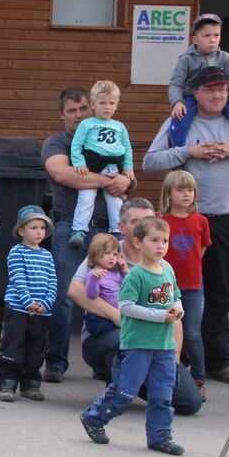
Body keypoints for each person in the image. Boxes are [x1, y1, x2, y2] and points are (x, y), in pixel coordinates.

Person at [144, 66, 229, 385]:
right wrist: (189, 151)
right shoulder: (180, 121)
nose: (218, 95)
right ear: (196, 94)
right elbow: (150, 162)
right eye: (211, 90)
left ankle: (217, 361)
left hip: (225, 220)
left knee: (219, 291)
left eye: (223, 90)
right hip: (183, 222)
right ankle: (176, 358)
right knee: (178, 290)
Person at [68, 198, 202, 416]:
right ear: (121, 227)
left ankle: (138, 383)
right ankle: (112, 401)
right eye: (134, 221)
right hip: (106, 336)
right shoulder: (108, 252)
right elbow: (75, 290)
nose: (141, 224)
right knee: (122, 341)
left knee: (190, 402)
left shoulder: (163, 265)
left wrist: (173, 361)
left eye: (147, 220)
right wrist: (115, 315)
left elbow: (173, 314)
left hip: (155, 341)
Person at [42, 87, 132, 383]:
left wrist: (126, 178)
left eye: (83, 109)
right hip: (72, 226)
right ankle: (55, 361)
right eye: (72, 111)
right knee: (64, 296)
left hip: (109, 229)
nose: (79, 115)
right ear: (62, 114)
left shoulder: (108, 132)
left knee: (109, 293)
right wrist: (112, 180)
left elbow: (129, 177)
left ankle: (102, 360)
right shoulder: (57, 142)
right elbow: (63, 175)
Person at [80, 216, 186, 456]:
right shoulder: (136, 275)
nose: (161, 246)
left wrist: (178, 307)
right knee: (125, 390)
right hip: (138, 343)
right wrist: (160, 316)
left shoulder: (167, 268)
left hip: (164, 345)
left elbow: (176, 295)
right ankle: (94, 417)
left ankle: (160, 436)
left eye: (165, 240)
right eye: (154, 240)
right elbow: (125, 307)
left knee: (162, 393)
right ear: (138, 243)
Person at [168, 13, 229, 181]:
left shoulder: (225, 57)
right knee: (179, 120)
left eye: (216, 35)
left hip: (222, 97)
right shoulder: (185, 60)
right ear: (195, 39)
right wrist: (177, 102)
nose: (212, 39)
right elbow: (176, 84)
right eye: (206, 36)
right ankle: (178, 160)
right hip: (192, 98)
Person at [159, 170, 211, 400]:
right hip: (165, 285)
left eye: (190, 190)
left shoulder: (201, 220)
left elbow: (201, 249)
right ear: (169, 194)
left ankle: (199, 379)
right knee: (165, 329)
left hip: (192, 285)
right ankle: (168, 375)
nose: (186, 194)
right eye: (180, 190)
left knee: (192, 334)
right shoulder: (161, 220)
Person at [0, 205, 56, 403]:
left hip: (41, 312)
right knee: (13, 343)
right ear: (21, 231)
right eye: (33, 227)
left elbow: (53, 281)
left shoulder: (47, 256)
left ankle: (30, 383)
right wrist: (28, 301)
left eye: (42, 227)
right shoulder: (16, 252)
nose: (39, 232)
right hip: (18, 309)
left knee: (37, 345)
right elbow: (18, 278)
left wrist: (46, 303)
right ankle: (7, 381)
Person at [68, 80, 135, 246]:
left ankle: (117, 231)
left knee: (116, 201)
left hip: (112, 167)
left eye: (111, 103)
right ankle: (78, 230)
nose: (107, 107)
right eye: (102, 103)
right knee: (86, 197)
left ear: (117, 105)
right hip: (91, 166)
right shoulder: (86, 124)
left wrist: (128, 168)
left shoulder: (119, 126)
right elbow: (77, 144)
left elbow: (127, 147)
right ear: (93, 105)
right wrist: (79, 163)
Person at [81, 234, 128, 340]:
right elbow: (91, 295)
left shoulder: (116, 273)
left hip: (117, 314)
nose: (112, 257)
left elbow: (128, 287)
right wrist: (94, 279)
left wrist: (125, 270)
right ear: (95, 254)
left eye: (115, 254)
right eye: (107, 253)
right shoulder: (93, 274)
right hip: (99, 318)